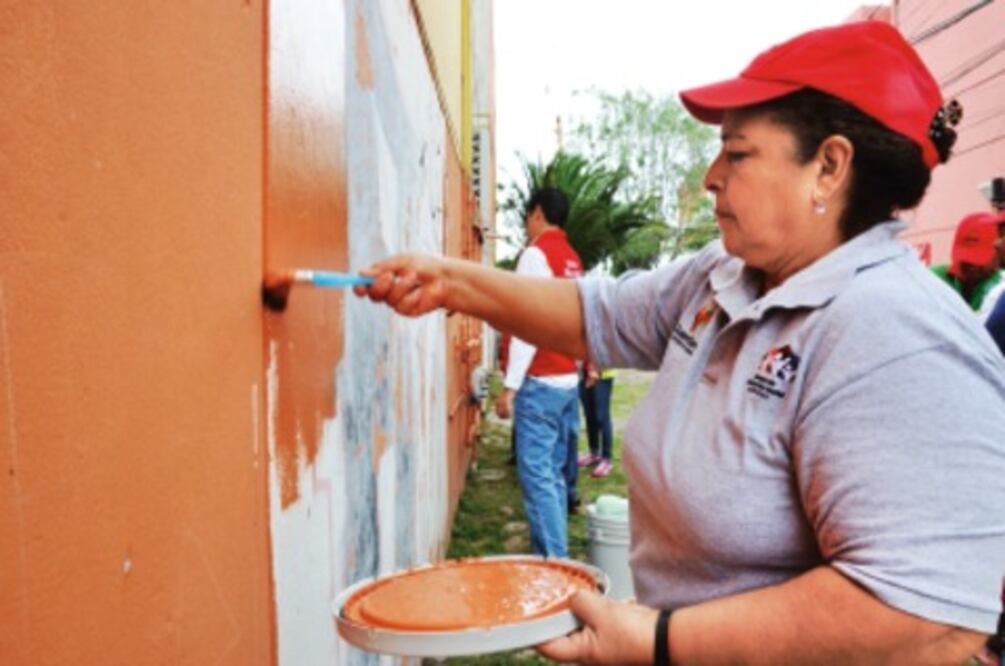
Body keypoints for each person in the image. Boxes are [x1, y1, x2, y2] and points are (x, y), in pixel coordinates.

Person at [356, 21, 1005, 664]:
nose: (710, 175)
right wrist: (451, 283)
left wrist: (661, 641)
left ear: (828, 167)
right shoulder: (724, 276)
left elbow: (924, 617)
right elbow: (596, 318)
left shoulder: (899, 339)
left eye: (738, 152)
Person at [492, 186, 583, 556]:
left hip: (542, 380)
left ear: (538, 214)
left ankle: (553, 564)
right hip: (566, 381)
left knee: (537, 476)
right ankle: (552, 558)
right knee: (555, 475)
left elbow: (529, 326)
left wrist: (510, 387)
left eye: (528, 217)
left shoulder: (535, 255)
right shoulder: (572, 258)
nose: (527, 224)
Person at [931, 211, 1003, 316]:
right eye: (966, 259)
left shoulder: (1001, 288)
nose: (971, 266)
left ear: (998, 251)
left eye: (978, 259)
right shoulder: (931, 277)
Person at [577, 363, 615, 478]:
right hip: (583, 370)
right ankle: (594, 453)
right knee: (589, 414)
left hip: (602, 371)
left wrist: (593, 369)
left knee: (601, 415)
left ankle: (606, 459)